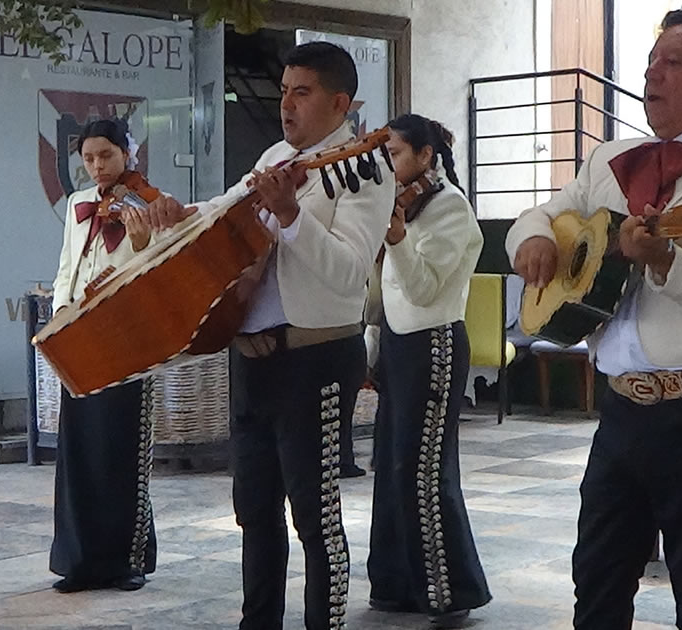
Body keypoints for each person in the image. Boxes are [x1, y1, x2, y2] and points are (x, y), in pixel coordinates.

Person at [505, 8, 682, 629]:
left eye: (672, 62)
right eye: (650, 62)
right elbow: (546, 215)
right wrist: (531, 241)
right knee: (597, 587)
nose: (651, 75)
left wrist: (665, 259)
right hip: (621, 412)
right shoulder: (611, 159)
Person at [144, 41, 393, 630]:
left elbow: (349, 270)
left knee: (315, 513)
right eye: (283, 90)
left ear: (339, 102)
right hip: (251, 356)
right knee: (254, 511)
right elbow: (228, 208)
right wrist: (184, 214)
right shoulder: (278, 154)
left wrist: (291, 218)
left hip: (315, 357)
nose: (286, 104)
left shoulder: (367, 169)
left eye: (301, 92)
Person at [366, 114, 491, 627]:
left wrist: (395, 238)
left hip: (435, 343)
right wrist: (371, 347)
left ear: (425, 156)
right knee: (391, 466)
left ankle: (450, 590)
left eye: (394, 153)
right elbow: (382, 290)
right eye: (384, 154)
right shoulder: (398, 205)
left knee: (424, 469)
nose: (387, 164)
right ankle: (397, 584)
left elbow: (421, 289)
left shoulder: (450, 208)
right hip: (397, 342)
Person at [49, 118, 159, 593]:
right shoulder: (78, 203)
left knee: (121, 450)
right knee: (77, 451)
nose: (97, 167)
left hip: (128, 339)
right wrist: (59, 317)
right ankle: (79, 560)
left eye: (106, 156)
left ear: (127, 154)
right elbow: (66, 269)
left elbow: (156, 274)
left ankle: (124, 561)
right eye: (89, 159)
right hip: (80, 336)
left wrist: (139, 241)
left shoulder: (152, 205)